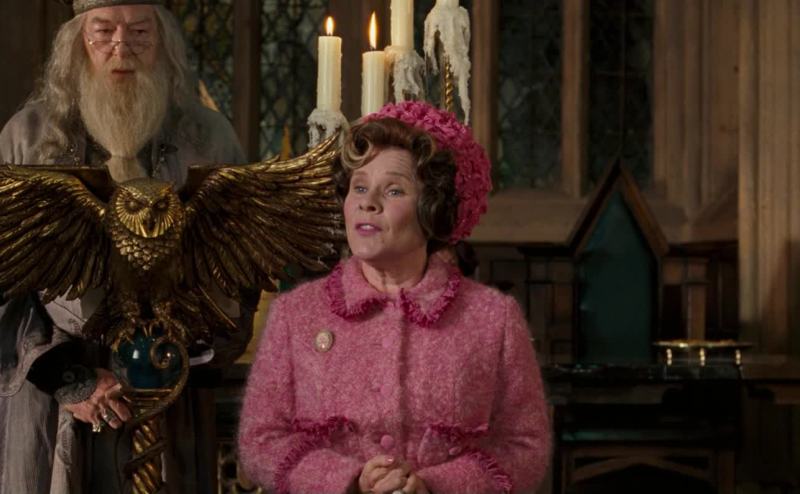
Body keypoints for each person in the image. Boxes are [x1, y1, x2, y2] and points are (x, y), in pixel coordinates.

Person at [0, 1, 253, 493]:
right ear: (78, 41)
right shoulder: (27, 139)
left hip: (170, 389)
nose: (122, 47)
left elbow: (236, 268)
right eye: (104, 31)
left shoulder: (207, 138)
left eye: (139, 32)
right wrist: (70, 379)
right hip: (52, 403)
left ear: (164, 43)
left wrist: (181, 353)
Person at [237, 100, 551, 494]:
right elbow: (260, 442)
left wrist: (434, 485)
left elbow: (526, 447)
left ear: (432, 209)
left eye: (394, 190)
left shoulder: (493, 319)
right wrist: (349, 481)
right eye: (359, 187)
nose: (368, 202)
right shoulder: (295, 315)